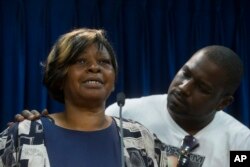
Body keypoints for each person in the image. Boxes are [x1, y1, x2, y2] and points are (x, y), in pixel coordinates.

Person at [10, 45, 250, 166]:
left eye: (202, 88)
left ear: (223, 103)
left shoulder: (241, 142)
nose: (183, 88)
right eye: (185, 73)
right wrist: (40, 132)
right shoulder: (124, 113)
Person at [0, 28, 176, 167]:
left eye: (104, 62)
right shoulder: (24, 135)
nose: (94, 67)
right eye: (81, 61)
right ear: (59, 76)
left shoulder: (139, 138)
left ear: (114, 80)